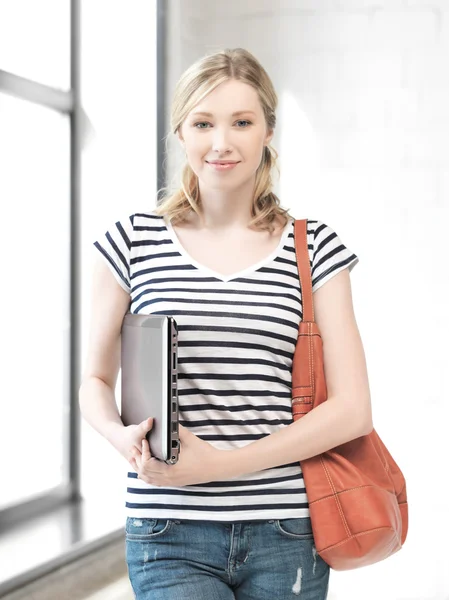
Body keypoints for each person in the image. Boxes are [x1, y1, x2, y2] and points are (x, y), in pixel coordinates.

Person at [79, 47, 372, 600]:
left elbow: (353, 409)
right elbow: (92, 382)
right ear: (181, 133)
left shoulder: (316, 248)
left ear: (267, 132)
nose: (221, 142)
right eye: (203, 123)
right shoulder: (132, 241)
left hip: (286, 529)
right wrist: (122, 439)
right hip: (167, 528)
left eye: (241, 122)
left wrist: (222, 463)